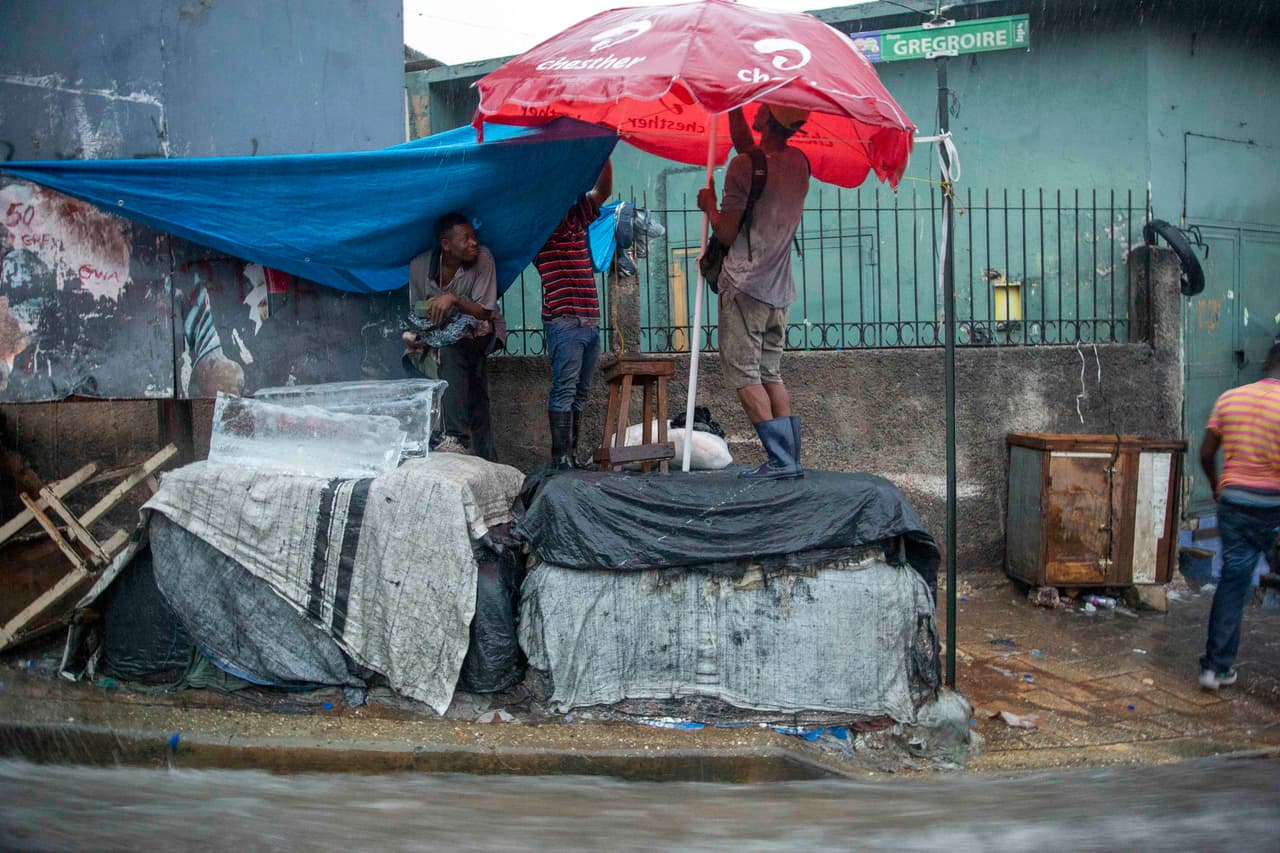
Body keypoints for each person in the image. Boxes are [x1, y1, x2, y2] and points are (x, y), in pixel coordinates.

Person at [697, 104, 810, 480]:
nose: (755, 107)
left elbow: (726, 233)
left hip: (745, 288)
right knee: (771, 374)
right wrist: (730, 106)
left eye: (760, 107)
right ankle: (790, 461)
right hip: (779, 292)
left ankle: (779, 460)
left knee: (746, 376)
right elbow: (755, 157)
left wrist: (710, 207)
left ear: (767, 119)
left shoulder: (743, 169)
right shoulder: (799, 164)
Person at [1196, 342, 1280, 690]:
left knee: (1232, 583)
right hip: (1273, 506)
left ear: (1266, 364)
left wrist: (1218, 486)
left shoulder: (1230, 398)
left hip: (1233, 503)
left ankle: (1214, 669)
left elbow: (1205, 452)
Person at [402, 212, 506, 460]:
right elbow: (416, 309)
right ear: (446, 245)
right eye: (466, 238)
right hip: (439, 335)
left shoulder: (483, 259)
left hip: (481, 329)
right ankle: (481, 453)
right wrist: (421, 328)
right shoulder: (419, 267)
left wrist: (453, 300)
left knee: (453, 351)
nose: (474, 243)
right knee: (414, 360)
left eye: (474, 237)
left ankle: (457, 437)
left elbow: (485, 310)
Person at [535, 160, 612, 469]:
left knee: (579, 393)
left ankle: (571, 455)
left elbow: (604, 190)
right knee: (565, 390)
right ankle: (560, 458)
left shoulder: (575, 216)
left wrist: (603, 153)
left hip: (588, 321)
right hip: (564, 320)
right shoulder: (540, 227)